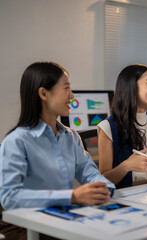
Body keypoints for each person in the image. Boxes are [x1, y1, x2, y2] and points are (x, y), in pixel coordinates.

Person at [0, 62, 115, 239]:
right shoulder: (16, 141)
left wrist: (104, 188)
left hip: (62, 217)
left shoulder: (71, 137)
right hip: (25, 225)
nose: (72, 96)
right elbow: (10, 197)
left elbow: (89, 172)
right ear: (43, 93)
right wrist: (71, 196)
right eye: (66, 89)